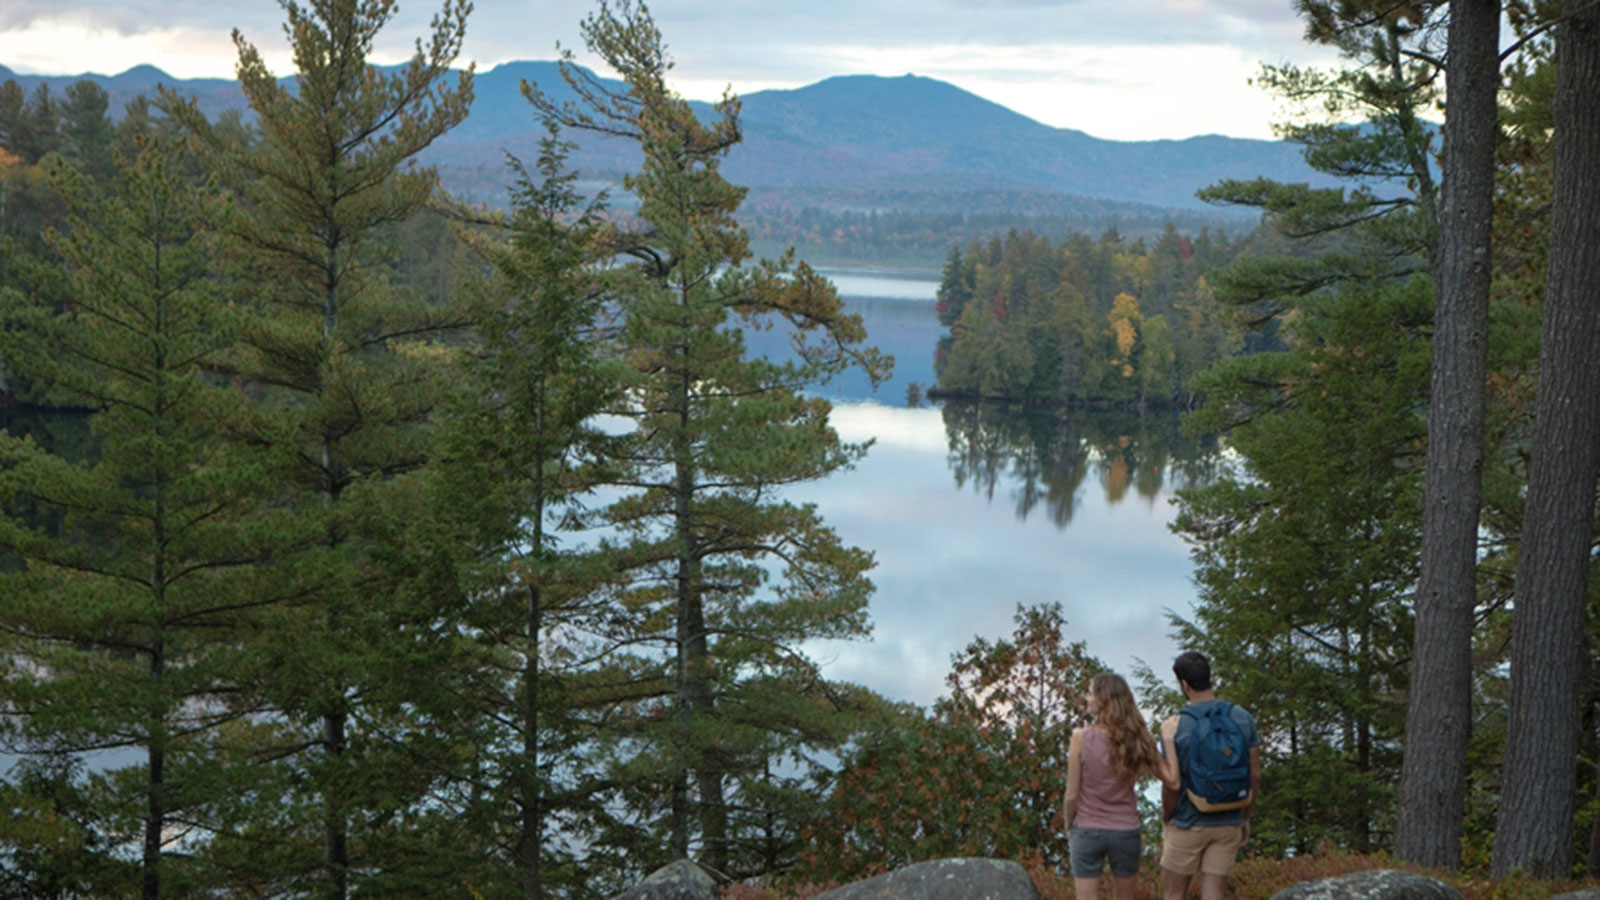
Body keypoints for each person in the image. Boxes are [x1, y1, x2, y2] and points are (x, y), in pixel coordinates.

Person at [1063, 671, 1175, 900]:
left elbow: (1071, 795)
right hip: (1125, 830)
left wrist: (1068, 823)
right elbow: (1172, 779)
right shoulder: (1137, 738)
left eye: (1090, 694)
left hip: (1086, 828)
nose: (1087, 698)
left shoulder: (1080, 738)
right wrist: (1170, 741)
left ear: (1103, 700)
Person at [1159, 651, 1261, 900]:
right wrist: (1244, 816)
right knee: (1214, 894)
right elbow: (1255, 775)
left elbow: (1172, 784)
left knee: (1174, 894)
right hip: (1229, 820)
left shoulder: (1176, 725)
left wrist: (1168, 818)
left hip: (1188, 821)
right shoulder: (1242, 718)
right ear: (1209, 677)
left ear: (1184, 684)